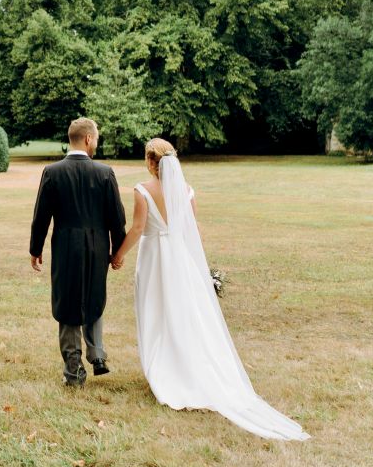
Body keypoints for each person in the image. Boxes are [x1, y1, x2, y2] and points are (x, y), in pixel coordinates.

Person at [111, 138, 309, 440]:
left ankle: (164, 369)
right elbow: (193, 229)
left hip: (154, 261)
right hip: (182, 260)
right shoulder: (187, 191)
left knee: (155, 311)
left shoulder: (142, 191)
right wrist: (199, 268)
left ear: (151, 162)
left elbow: (138, 229)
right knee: (187, 313)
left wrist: (118, 255)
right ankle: (187, 365)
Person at [29, 118, 127, 386]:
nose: (96, 142)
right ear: (87, 139)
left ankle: (73, 370)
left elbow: (41, 216)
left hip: (65, 246)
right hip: (97, 246)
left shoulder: (52, 171)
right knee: (94, 294)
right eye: (96, 138)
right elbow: (117, 218)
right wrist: (117, 250)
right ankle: (97, 355)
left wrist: (35, 248)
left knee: (68, 301)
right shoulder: (105, 172)